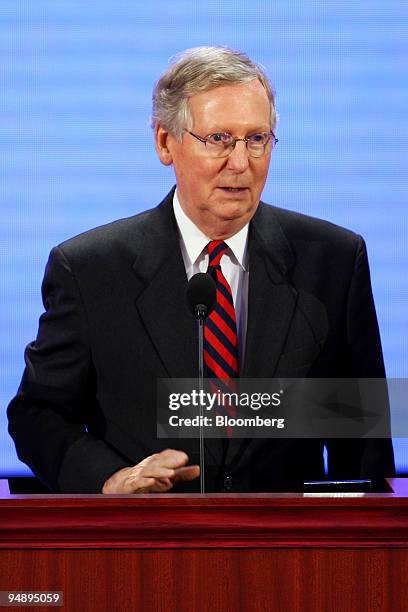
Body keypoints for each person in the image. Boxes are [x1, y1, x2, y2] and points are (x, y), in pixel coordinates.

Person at [7, 46, 394, 494]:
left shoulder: (333, 261)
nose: (241, 162)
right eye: (218, 139)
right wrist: (113, 479)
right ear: (164, 142)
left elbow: (362, 439)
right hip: (149, 547)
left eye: (256, 139)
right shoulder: (90, 269)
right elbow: (38, 414)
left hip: (287, 551)